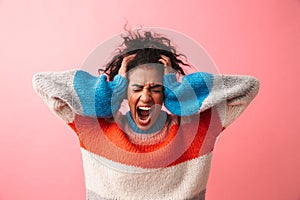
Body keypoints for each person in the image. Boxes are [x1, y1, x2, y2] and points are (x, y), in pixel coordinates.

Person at [32, 29, 259, 200]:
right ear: (125, 93)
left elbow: (248, 87)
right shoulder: (96, 129)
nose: (146, 97)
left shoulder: (195, 129)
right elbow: (44, 84)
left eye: (156, 88)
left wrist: (179, 92)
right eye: (136, 88)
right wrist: (111, 92)